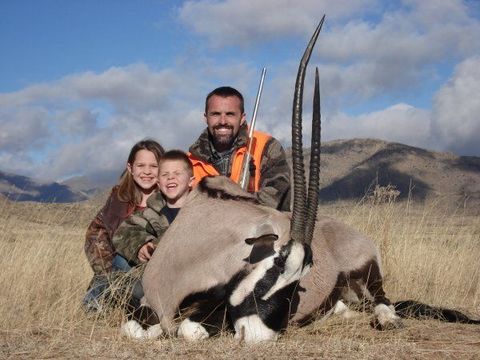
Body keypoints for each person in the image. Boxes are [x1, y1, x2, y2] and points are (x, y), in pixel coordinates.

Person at [83, 139, 165, 311]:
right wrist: (106, 273)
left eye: (154, 166)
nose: (147, 172)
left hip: (154, 270)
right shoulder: (118, 199)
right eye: (141, 165)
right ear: (130, 168)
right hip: (118, 269)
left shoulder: (168, 200)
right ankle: (102, 300)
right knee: (119, 261)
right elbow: (96, 234)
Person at [188, 86, 291, 211]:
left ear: (242, 118)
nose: (222, 121)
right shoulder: (188, 161)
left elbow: (274, 197)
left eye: (230, 114)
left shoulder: (267, 147)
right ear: (206, 118)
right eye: (215, 114)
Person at [112, 150, 195, 267]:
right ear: (158, 183)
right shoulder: (151, 213)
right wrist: (141, 245)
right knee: (120, 261)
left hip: (197, 272)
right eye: (165, 174)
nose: (171, 177)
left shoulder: (204, 211)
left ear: (191, 181)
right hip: (161, 272)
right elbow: (123, 232)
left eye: (177, 173)